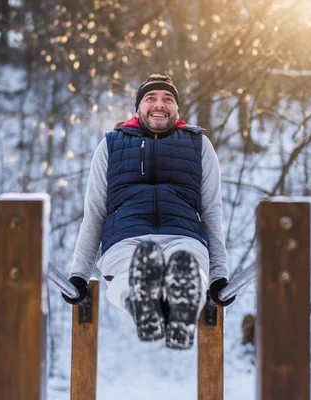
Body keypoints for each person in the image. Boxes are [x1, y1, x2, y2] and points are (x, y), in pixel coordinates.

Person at [62, 74, 235, 350]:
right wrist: (79, 274)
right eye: (150, 98)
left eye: (168, 99)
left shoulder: (198, 144)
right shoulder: (112, 144)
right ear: (137, 108)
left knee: (185, 263)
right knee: (134, 270)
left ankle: (179, 308)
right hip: (126, 239)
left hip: (184, 236)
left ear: (177, 109)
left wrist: (218, 276)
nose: (159, 104)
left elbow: (212, 211)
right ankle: (144, 306)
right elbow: (94, 211)